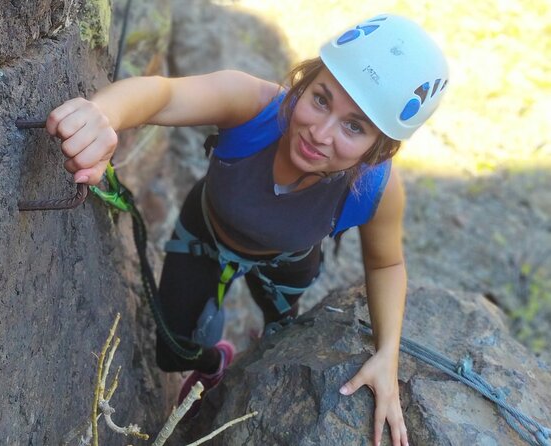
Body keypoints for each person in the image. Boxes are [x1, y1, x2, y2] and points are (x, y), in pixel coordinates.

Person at [45, 13, 448, 446]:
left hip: (287, 264)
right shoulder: (253, 108)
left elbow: (386, 263)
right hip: (206, 234)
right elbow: (162, 96)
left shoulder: (375, 189)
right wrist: (103, 114)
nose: (320, 132)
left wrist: (388, 354)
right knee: (171, 350)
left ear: (379, 147)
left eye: (355, 126)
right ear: (305, 79)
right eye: (321, 99)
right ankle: (215, 361)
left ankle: (260, 344)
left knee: (280, 332)